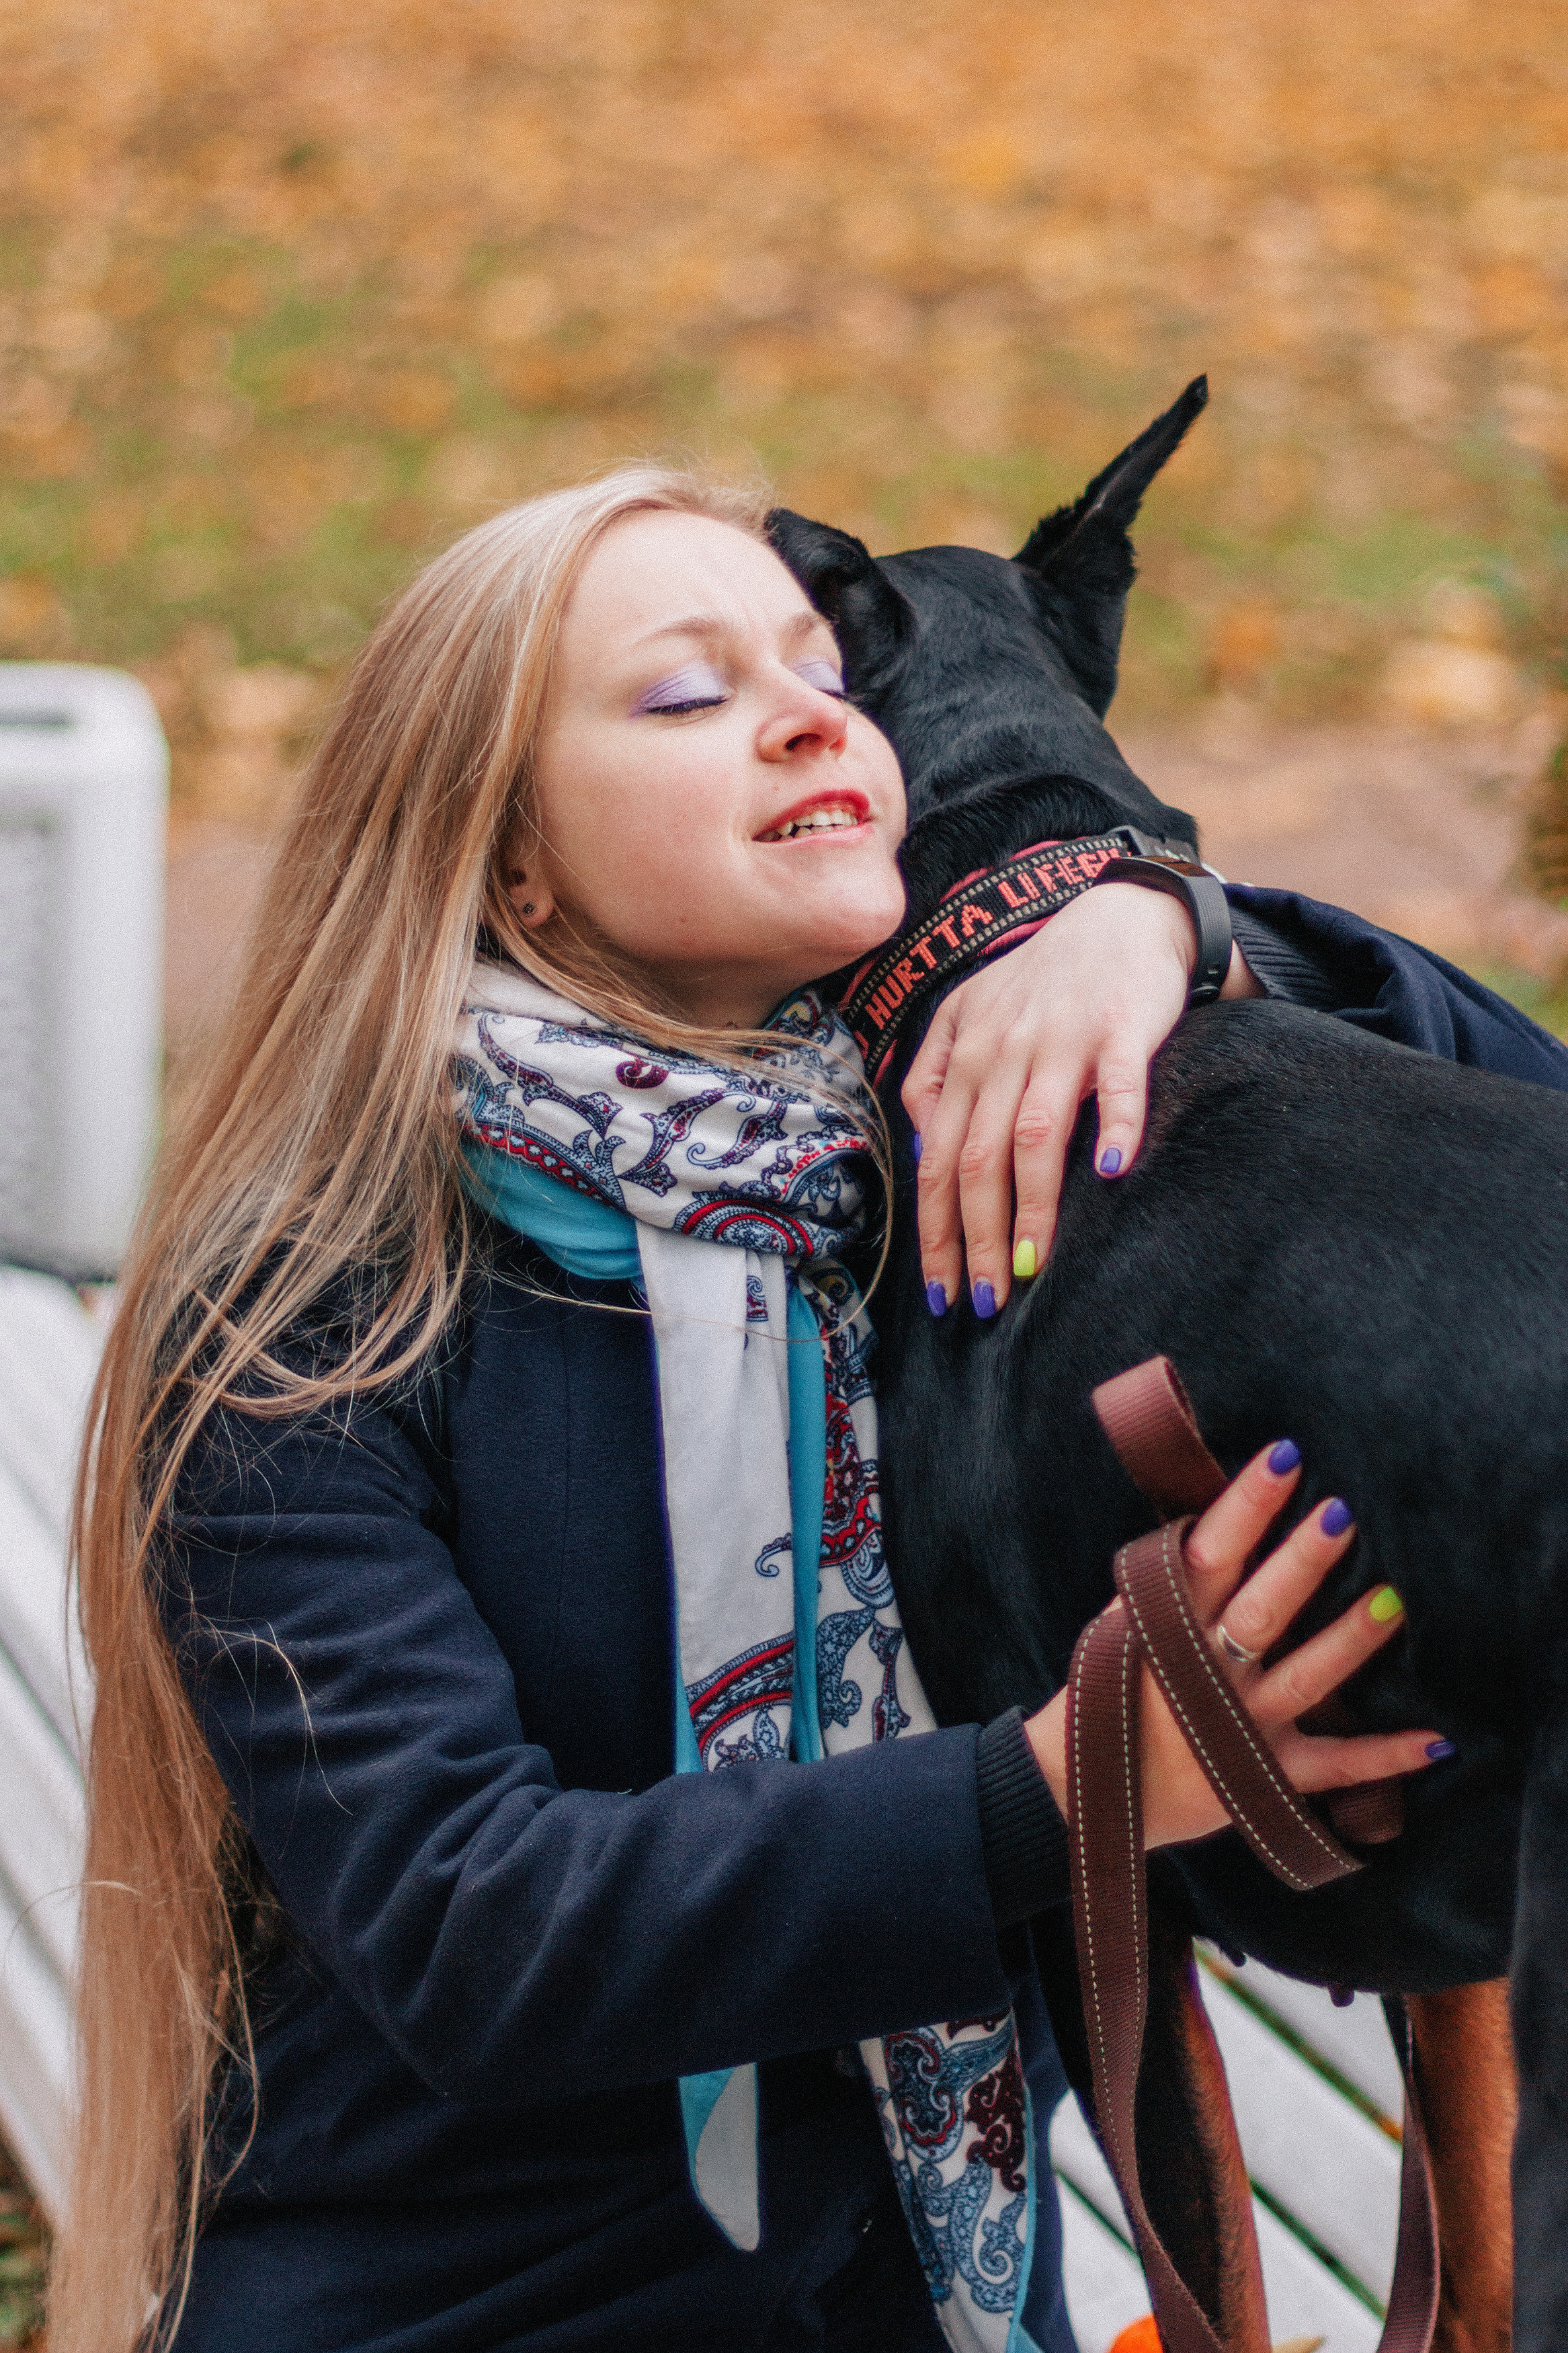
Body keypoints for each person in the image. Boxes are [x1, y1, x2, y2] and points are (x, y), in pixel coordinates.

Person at [52, 466, 1447, 2353]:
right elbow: (476, 1922)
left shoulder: (934, 1170)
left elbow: (1499, 1108)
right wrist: (1054, 1794)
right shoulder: (315, 1319)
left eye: (819, 666)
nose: (813, 711)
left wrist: (1149, 918)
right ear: (509, 859)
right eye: (688, 693)